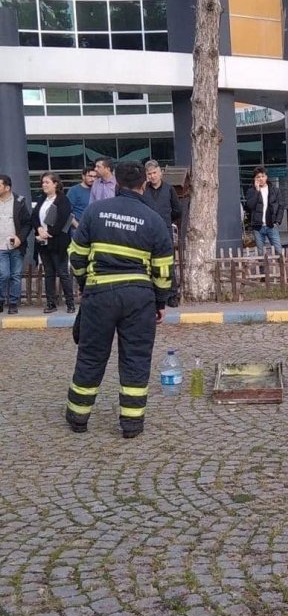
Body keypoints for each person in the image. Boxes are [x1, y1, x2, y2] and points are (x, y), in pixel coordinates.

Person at [66, 160, 174, 439]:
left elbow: (76, 256)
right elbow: (163, 270)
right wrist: (160, 302)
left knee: (91, 356)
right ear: (143, 185)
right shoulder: (153, 219)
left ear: (116, 182)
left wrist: (86, 284)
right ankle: (131, 424)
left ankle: (78, 417)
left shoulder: (94, 211)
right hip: (139, 298)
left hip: (99, 294)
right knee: (136, 358)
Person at [31, 172, 76, 314]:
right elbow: (34, 216)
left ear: (55, 184)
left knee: (63, 273)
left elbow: (63, 220)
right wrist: (39, 229)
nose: (44, 185)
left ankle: (70, 303)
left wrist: (48, 233)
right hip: (43, 242)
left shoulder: (62, 200)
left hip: (58, 242)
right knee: (49, 273)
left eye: (47, 182)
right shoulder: (42, 199)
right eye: (43, 182)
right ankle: (51, 303)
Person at [141, 159, 182, 305]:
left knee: (168, 263)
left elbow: (177, 210)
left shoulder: (169, 189)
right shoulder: (143, 190)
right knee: (148, 264)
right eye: (149, 174)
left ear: (160, 173)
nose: (152, 176)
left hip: (165, 231)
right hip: (146, 232)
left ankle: (171, 295)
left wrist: (167, 220)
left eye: (154, 173)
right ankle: (152, 295)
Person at [0, 174, 32, 315]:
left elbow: (27, 223)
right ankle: (1, 299)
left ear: (7, 188)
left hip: (16, 245)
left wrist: (20, 237)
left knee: (16, 275)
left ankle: (13, 303)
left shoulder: (19, 201)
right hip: (0, 246)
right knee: (3, 274)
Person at [244, 166, 284, 256]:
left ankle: (281, 265)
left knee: (279, 251)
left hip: (271, 226)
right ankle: (262, 266)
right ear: (255, 179)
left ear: (266, 177)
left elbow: (281, 206)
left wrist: (277, 221)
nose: (261, 179)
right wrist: (257, 191)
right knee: (260, 254)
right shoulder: (251, 191)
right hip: (258, 227)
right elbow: (250, 206)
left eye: (262, 176)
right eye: (258, 177)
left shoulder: (275, 190)